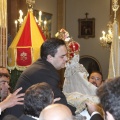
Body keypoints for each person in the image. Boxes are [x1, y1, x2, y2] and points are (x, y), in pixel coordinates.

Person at [4, 38, 76, 117]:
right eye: (62, 56)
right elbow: (60, 101)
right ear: (50, 57)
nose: (66, 59)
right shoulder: (45, 71)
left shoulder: (42, 66)